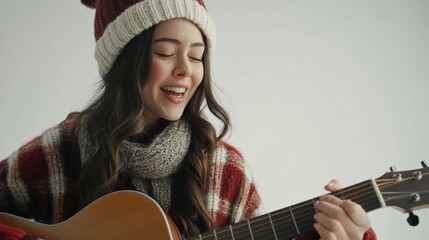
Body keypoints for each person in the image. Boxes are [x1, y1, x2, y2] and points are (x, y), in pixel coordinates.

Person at [0, 0, 376, 239]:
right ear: (123, 61)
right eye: (166, 52)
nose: (185, 70)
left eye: (196, 56)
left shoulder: (226, 170)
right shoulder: (57, 152)